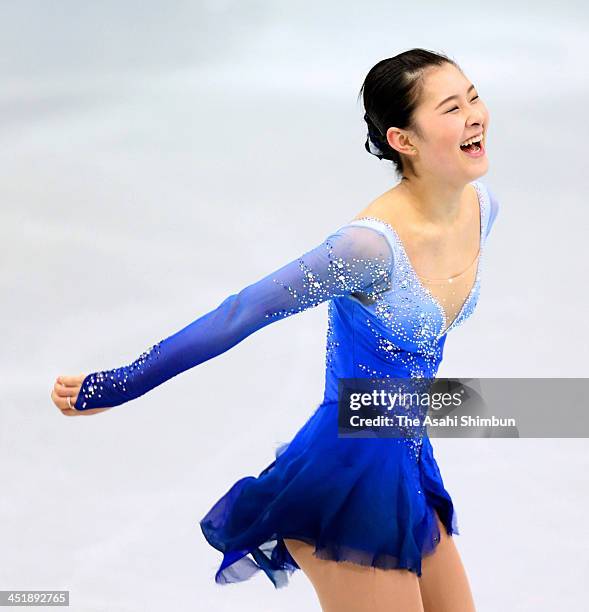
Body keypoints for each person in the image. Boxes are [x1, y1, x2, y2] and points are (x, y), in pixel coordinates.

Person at [51, 48, 500, 611]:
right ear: (403, 139)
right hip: (348, 474)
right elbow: (241, 313)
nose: (475, 114)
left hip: (405, 453)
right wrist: (122, 382)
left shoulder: (481, 207)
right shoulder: (367, 248)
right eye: (451, 108)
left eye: (474, 96)